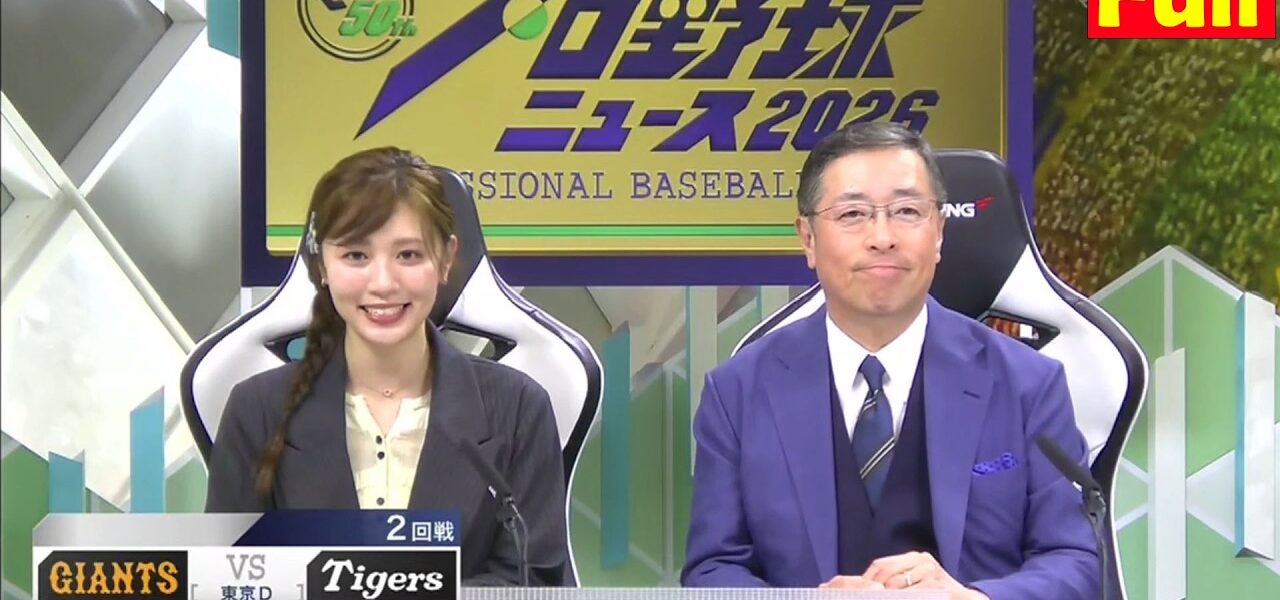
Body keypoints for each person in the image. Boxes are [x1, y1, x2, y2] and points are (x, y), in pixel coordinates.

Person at [681, 123, 1099, 599]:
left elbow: (1077, 562)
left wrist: (973, 599)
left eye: (906, 212)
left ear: (938, 233)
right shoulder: (737, 394)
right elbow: (712, 571)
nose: (882, 237)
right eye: (853, 214)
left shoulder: (1029, 384)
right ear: (808, 239)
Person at [204, 147, 567, 586]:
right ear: (323, 265)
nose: (382, 283)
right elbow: (230, 579)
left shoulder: (518, 409)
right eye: (356, 255)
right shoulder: (257, 409)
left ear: (446, 260)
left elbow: (532, 581)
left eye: (408, 255)